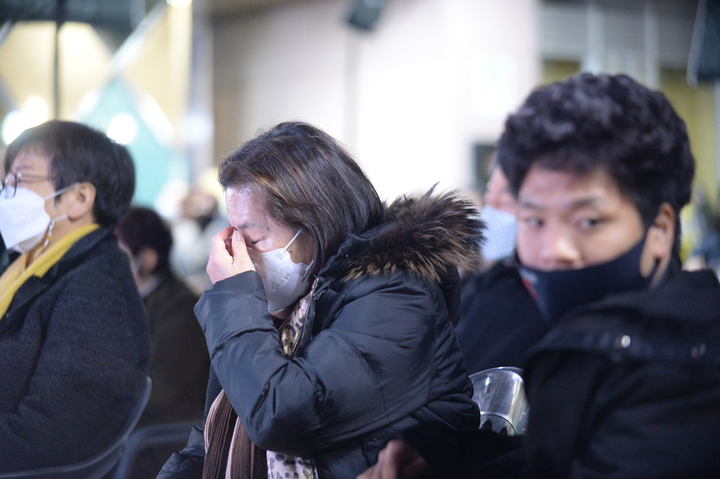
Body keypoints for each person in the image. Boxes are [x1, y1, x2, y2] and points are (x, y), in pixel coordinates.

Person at [359, 73, 720, 479]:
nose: (553, 250)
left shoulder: (687, 374)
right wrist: (445, 457)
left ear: (660, 230)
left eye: (588, 221)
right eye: (533, 220)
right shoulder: (595, 342)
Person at [158, 121, 483, 479]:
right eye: (233, 238)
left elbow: (281, 415)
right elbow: (208, 443)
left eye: (251, 240)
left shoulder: (397, 293)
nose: (240, 257)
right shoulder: (280, 308)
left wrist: (233, 299)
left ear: (314, 224)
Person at [0, 120, 151, 471]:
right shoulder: (25, 266)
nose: (8, 190)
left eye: (20, 179)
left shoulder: (98, 292)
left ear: (79, 198)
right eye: (7, 180)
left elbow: (49, 436)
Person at [115, 206, 210, 479]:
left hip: (162, 440)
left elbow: (159, 391)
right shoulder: (130, 302)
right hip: (135, 432)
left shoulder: (181, 308)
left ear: (147, 258)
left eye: (118, 255)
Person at [455, 165, 546, 374]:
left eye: (505, 198)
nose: (492, 207)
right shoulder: (482, 284)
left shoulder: (543, 298)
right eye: (489, 195)